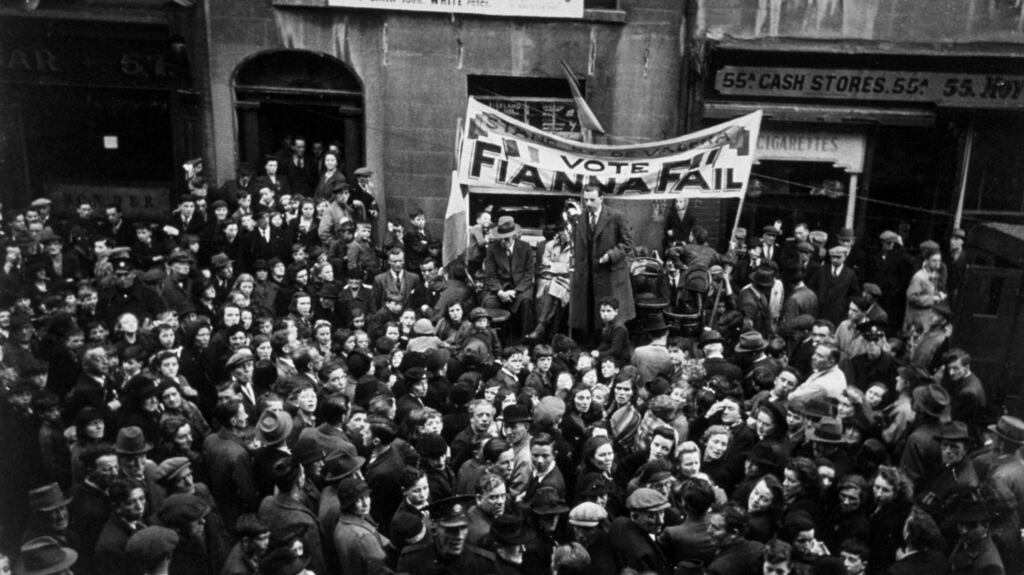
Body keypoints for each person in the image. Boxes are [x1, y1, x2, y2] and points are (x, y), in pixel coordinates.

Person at [569, 184, 635, 343]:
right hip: (587, 275)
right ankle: (591, 346)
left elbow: (627, 243)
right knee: (589, 312)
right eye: (586, 200)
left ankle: (611, 346)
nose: (588, 204)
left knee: (609, 314)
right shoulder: (580, 218)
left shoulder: (616, 217)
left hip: (609, 274)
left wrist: (611, 255)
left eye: (592, 200)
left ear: (601, 198)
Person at [395, 495, 496, 575]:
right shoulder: (411, 561)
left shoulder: (484, 564)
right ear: (434, 529)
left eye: (463, 528)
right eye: (451, 530)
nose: (459, 536)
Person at [482, 215, 536, 339]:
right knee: (489, 303)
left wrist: (516, 291)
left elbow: (529, 273)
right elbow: (490, 275)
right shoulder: (492, 248)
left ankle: (525, 340)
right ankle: (494, 341)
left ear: (514, 236)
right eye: (500, 239)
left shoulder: (525, 247)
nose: (503, 242)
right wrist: (500, 292)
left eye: (506, 239)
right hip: (499, 288)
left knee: (526, 302)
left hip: (520, 287)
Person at [606, 487, 671, 574]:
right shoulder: (644, 555)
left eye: (662, 513)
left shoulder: (620, 522)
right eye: (651, 516)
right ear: (634, 516)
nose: (661, 521)